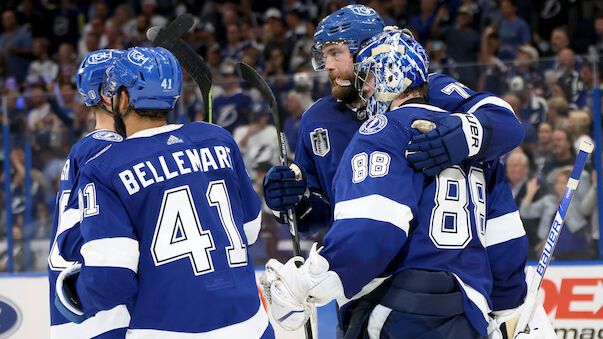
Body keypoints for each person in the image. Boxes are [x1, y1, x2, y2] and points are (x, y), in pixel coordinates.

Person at [262, 30, 554, 339]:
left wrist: (307, 283)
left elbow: (372, 230)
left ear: (391, 79)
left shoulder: (382, 128)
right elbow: (504, 239)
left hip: (394, 310)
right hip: (468, 316)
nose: (364, 90)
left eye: (369, 78)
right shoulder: (478, 148)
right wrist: (510, 310)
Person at [54, 47, 274, 338]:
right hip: (252, 324)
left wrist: (76, 296)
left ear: (122, 99)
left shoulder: (104, 166)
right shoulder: (217, 138)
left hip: (166, 328)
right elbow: (249, 229)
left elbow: (111, 277)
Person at [264, 4, 524, 237]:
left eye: (335, 53)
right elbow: (323, 213)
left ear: (368, 51)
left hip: (442, 258)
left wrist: (461, 136)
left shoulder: (424, 90)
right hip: (365, 266)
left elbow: (507, 125)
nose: (328, 66)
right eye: (323, 56)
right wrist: (294, 200)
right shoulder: (317, 120)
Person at [47, 49, 129, 338]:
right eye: (130, 85)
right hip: (101, 314)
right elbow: (75, 239)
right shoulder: (107, 148)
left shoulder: (93, 147)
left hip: (84, 313)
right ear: (109, 95)